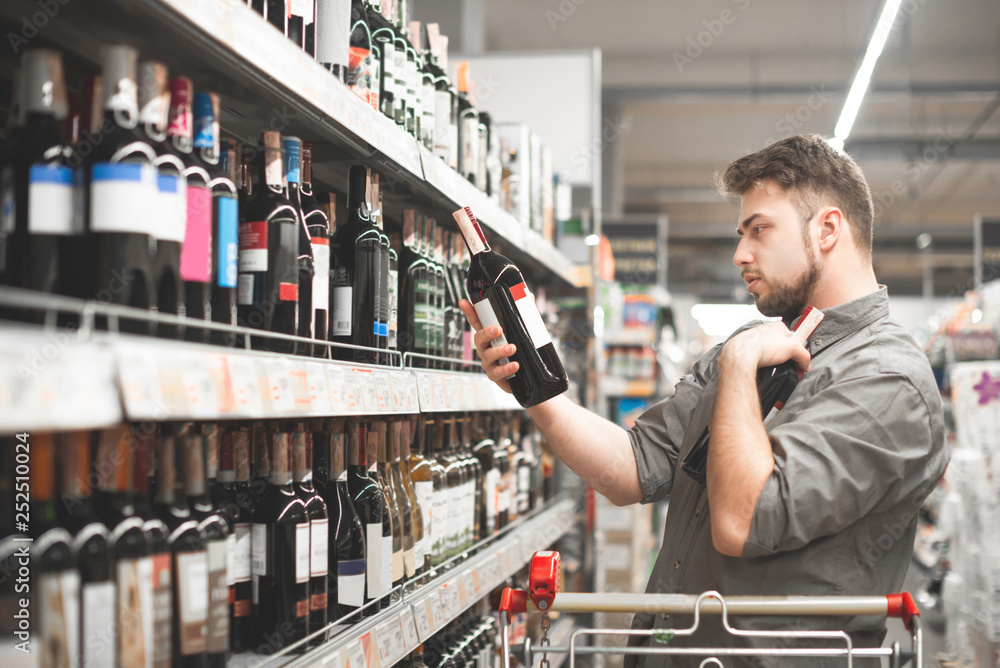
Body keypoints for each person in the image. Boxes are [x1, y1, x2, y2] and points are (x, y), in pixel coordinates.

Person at [459, 134, 949, 666]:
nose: (741, 253)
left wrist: (739, 365)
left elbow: (744, 521)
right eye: (741, 233)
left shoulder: (887, 380)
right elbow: (635, 467)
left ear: (828, 229)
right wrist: (532, 387)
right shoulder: (756, 345)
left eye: (759, 229)